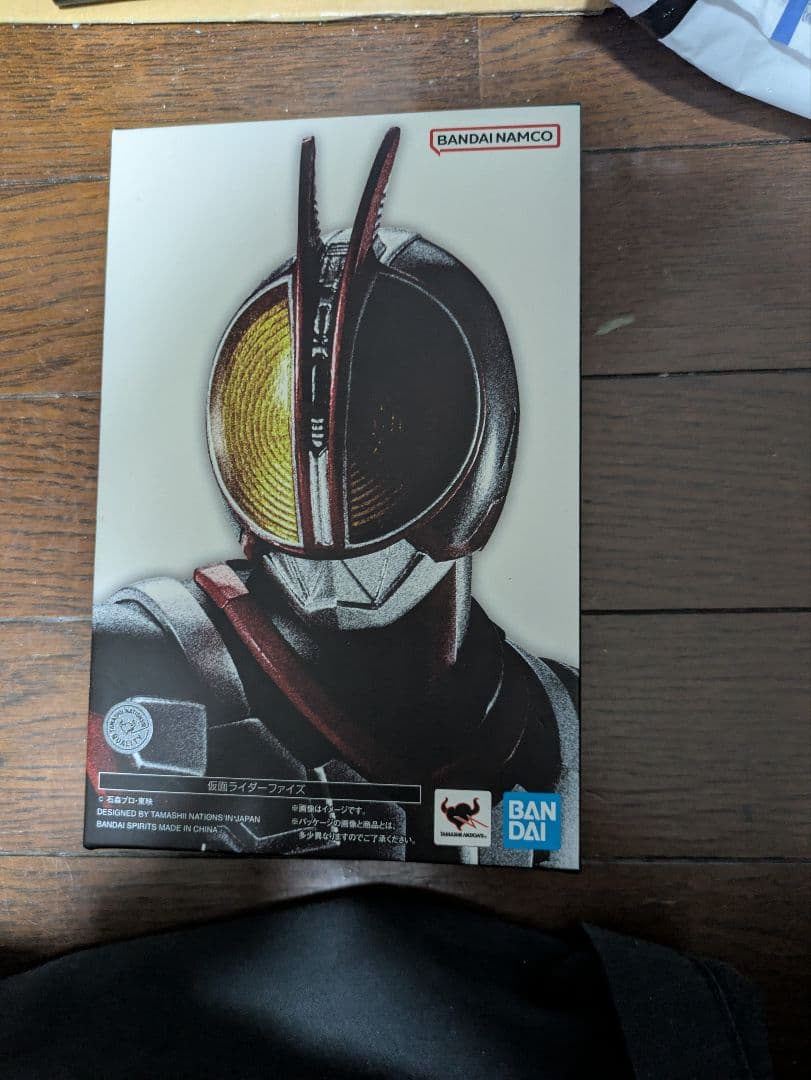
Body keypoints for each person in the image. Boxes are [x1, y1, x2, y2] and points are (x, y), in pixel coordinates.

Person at [88, 127, 578, 866]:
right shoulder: (137, 655)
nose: (324, 463)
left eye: (387, 428)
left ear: (486, 436)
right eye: (285, 427)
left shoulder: (560, 715)